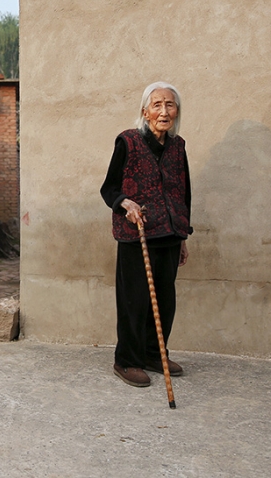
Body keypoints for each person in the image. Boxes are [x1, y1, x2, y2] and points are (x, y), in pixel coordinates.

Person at [100, 81, 192, 388]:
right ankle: (127, 361)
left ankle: (155, 354)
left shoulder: (178, 147)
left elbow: (183, 192)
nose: (164, 111)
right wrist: (124, 203)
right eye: (157, 105)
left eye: (170, 105)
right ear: (145, 111)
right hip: (135, 234)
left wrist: (183, 236)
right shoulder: (128, 141)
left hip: (170, 233)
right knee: (134, 300)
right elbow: (109, 187)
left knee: (165, 301)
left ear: (176, 111)